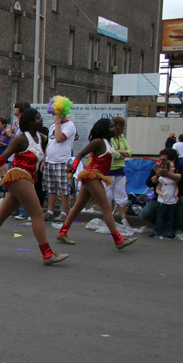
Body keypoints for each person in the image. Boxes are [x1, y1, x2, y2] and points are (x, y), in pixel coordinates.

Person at [0, 108, 69, 265]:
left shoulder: (41, 138)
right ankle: (47, 254)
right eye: (38, 118)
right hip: (18, 175)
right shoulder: (20, 139)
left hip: (27, 179)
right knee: (38, 214)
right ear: (31, 121)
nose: (42, 120)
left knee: (2, 214)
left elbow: (46, 152)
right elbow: (3, 157)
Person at [56, 118, 137, 250]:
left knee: (78, 206)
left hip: (96, 177)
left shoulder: (107, 142)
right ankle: (118, 240)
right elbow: (81, 154)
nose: (114, 128)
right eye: (111, 127)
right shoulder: (98, 142)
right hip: (91, 175)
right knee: (107, 207)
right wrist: (73, 168)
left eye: (114, 126)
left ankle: (62, 232)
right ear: (104, 129)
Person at [140, 148, 183, 234]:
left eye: (164, 160)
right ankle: (161, 225)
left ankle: (178, 228)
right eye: (161, 159)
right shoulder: (158, 168)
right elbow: (149, 183)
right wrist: (156, 177)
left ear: (173, 160)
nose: (161, 162)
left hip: (177, 199)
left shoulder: (182, 168)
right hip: (161, 200)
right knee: (146, 212)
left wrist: (168, 174)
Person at [43, 96, 77, 222]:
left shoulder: (69, 125)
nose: (54, 115)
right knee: (51, 189)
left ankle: (63, 213)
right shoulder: (53, 126)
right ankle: (50, 211)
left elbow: (59, 138)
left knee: (64, 189)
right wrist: (44, 159)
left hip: (62, 161)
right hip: (50, 161)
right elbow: (50, 143)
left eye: (56, 113)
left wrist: (58, 123)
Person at [105, 116, 132, 224]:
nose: (124, 128)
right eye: (123, 126)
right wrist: (120, 153)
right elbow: (110, 152)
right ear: (118, 126)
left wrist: (119, 152)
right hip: (109, 171)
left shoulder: (121, 137)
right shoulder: (109, 138)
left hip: (120, 170)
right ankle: (109, 218)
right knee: (108, 195)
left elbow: (129, 151)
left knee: (121, 194)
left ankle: (124, 219)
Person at [152, 160, 178, 239]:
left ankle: (168, 231)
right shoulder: (162, 179)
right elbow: (158, 189)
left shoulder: (174, 179)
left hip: (172, 201)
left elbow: (176, 188)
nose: (174, 168)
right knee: (161, 216)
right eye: (172, 167)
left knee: (170, 217)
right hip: (163, 201)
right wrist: (162, 194)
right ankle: (158, 231)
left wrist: (176, 195)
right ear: (166, 169)